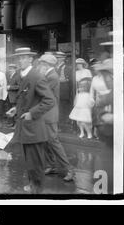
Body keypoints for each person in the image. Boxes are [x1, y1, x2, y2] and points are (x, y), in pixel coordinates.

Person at [11, 47, 55, 194]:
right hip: (25, 126)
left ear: (31, 59)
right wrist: (16, 109)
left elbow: (50, 100)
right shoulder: (21, 75)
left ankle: (37, 190)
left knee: (35, 162)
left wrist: (32, 113)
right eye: (19, 58)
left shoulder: (36, 76)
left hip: (34, 126)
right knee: (29, 161)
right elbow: (24, 99)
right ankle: (33, 185)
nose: (21, 60)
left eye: (24, 57)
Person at [38, 54, 75, 182]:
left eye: (41, 63)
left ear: (46, 65)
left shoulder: (52, 76)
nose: (40, 66)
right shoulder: (48, 75)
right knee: (45, 141)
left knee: (53, 141)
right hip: (45, 113)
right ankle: (51, 165)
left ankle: (69, 169)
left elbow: (42, 93)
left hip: (49, 114)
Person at [90, 59, 113, 143]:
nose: (96, 71)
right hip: (98, 99)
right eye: (95, 69)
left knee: (106, 116)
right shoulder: (95, 78)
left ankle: (107, 134)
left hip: (107, 100)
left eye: (98, 69)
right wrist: (91, 98)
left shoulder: (108, 78)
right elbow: (92, 90)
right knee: (97, 116)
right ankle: (97, 134)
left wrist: (106, 97)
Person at [54, 51, 72, 125]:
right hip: (56, 91)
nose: (57, 59)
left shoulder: (67, 67)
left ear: (63, 59)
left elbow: (68, 80)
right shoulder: (54, 67)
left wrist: (57, 80)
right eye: (56, 58)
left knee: (63, 108)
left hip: (64, 91)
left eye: (59, 58)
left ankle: (63, 124)